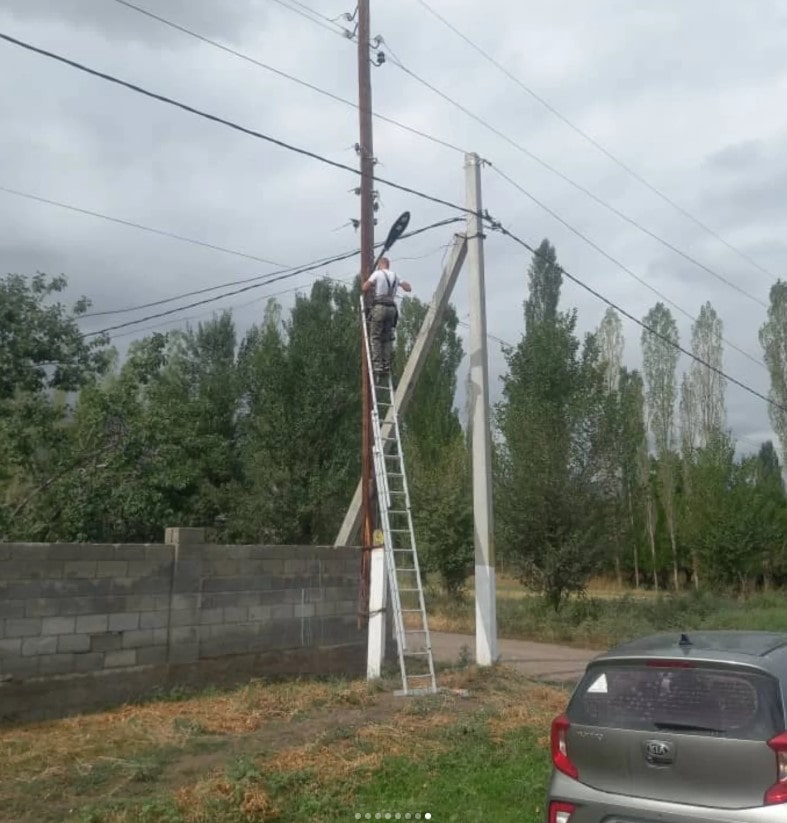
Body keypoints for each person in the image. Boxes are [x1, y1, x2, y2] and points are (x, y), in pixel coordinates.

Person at [361, 257, 411, 376]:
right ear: (389, 265)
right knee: (387, 338)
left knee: (376, 337)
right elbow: (408, 288)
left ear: (380, 265)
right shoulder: (395, 275)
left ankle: (378, 364)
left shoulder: (377, 274)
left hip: (380, 307)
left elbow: (365, 287)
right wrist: (401, 285)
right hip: (392, 309)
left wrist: (369, 282)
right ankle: (386, 363)